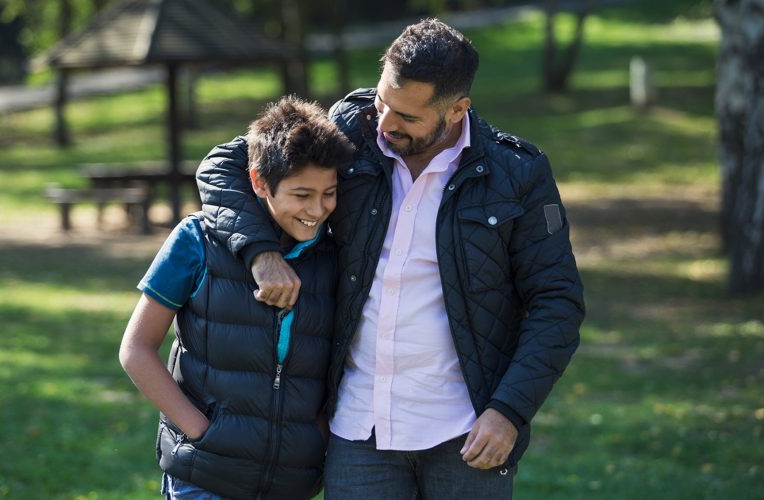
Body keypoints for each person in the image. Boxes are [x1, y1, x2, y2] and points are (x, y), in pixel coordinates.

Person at [196, 19, 585, 499]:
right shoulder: (351, 126)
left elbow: (557, 303)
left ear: (458, 109)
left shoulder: (518, 174)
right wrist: (261, 252)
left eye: (406, 116)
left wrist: (509, 410)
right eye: (383, 100)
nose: (384, 123)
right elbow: (223, 165)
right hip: (357, 429)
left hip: (467, 432)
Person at [119, 96, 355, 500]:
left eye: (329, 193)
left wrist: (314, 439)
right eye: (301, 195)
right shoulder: (197, 240)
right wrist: (200, 430)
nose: (317, 210)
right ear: (260, 182)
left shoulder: (334, 259)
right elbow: (136, 349)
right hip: (203, 478)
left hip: (291, 486)